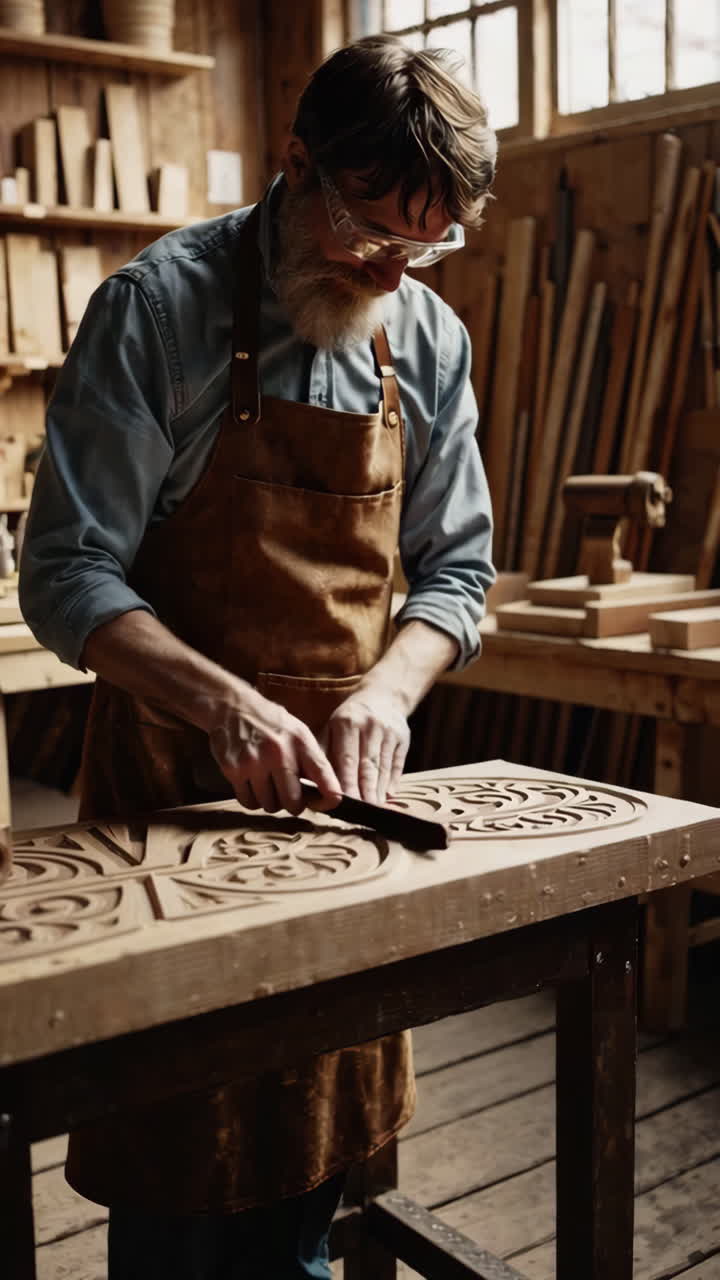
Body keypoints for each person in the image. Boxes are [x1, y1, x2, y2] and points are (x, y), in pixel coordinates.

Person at [20, 33, 496, 1280]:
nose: (393, 265)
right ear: (297, 167)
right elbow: (65, 571)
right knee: (180, 1174)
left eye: (424, 245)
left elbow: (458, 571)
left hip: (345, 816)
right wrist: (222, 701)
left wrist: (389, 691)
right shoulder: (160, 310)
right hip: (168, 811)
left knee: (319, 1151)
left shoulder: (424, 340)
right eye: (371, 231)